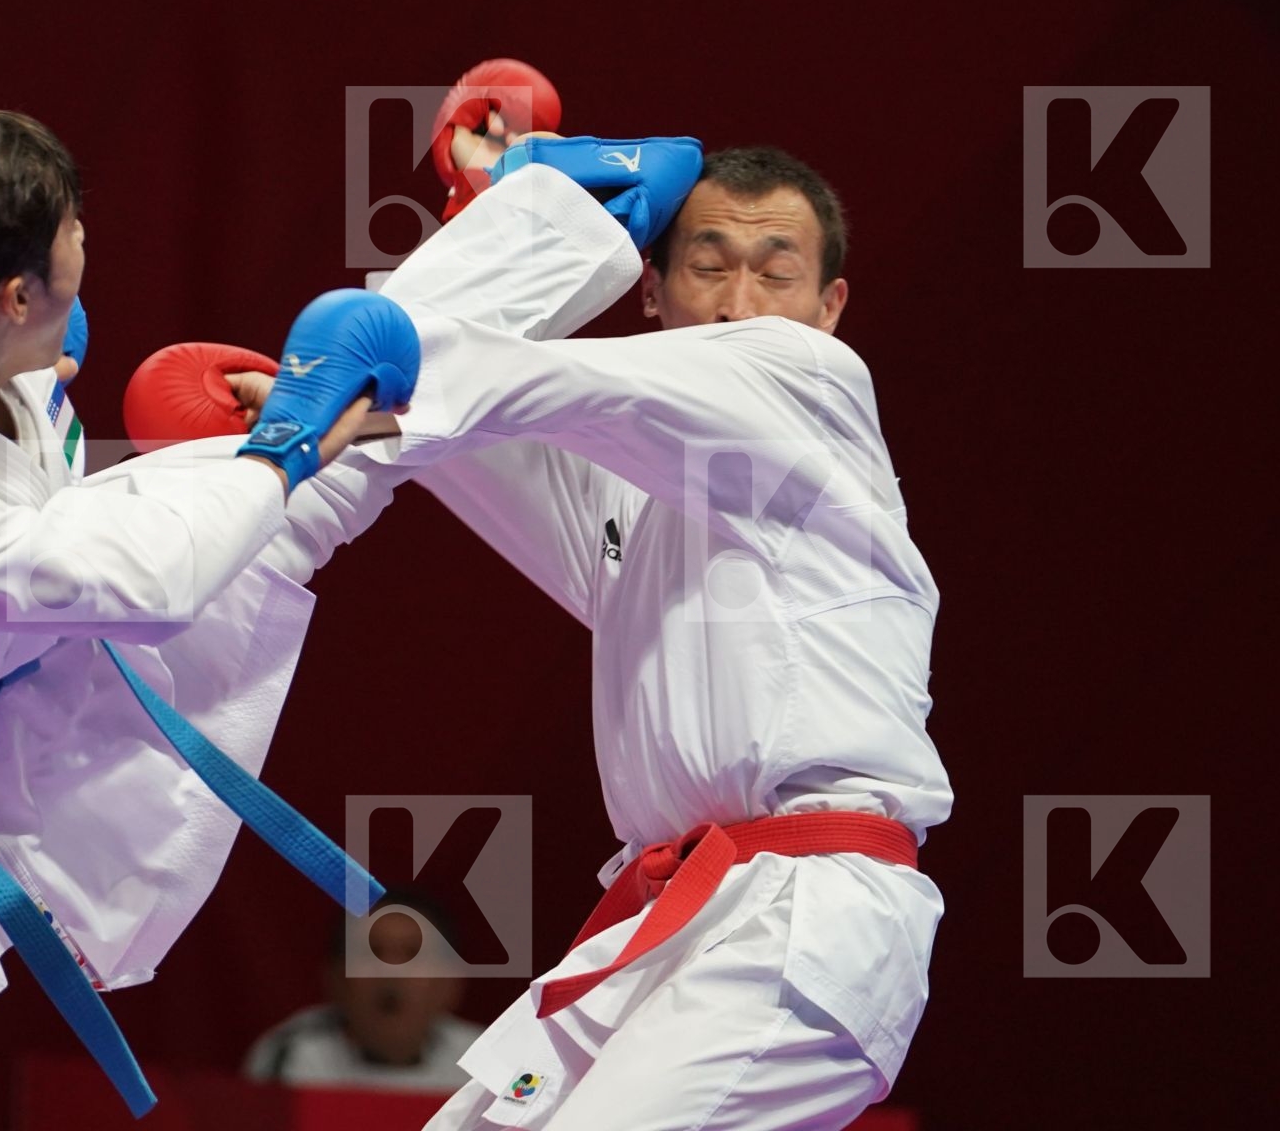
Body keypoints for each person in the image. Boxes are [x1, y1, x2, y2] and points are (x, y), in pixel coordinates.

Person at [0, 101, 655, 1130]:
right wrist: (291, 437)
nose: (89, 237)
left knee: (327, 471)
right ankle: (510, 240)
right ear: (15, 291)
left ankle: (535, 211)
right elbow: (152, 586)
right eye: (73, 227)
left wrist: (25, 373)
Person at [345, 128, 952, 1130]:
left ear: (829, 311)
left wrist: (558, 186)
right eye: (707, 268)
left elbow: (520, 380)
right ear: (652, 294)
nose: (739, 303)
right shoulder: (623, 489)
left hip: (806, 921)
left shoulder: (818, 390)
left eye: (776, 273)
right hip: (670, 922)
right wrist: (499, 214)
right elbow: (425, 380)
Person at [244, 893, 484, 1093]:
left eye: (413, 954)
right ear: (336, 979)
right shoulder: (294, 1054)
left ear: (450, 983)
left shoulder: (486, 1064)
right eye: (371, 952)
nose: (391, 973)